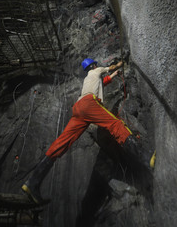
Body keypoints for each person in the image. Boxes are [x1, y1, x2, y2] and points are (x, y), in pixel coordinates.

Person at [22, 58, 151, 204]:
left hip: (79, 109)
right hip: (89, 104)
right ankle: (145, 158)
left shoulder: (89, 80)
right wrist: (120, 64)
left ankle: (33, 182)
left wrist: (114, 75)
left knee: (62, 142)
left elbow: (103, 82)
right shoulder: (96, 70)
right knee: (115, 124)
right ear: (94, 65)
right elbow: (110, 67)